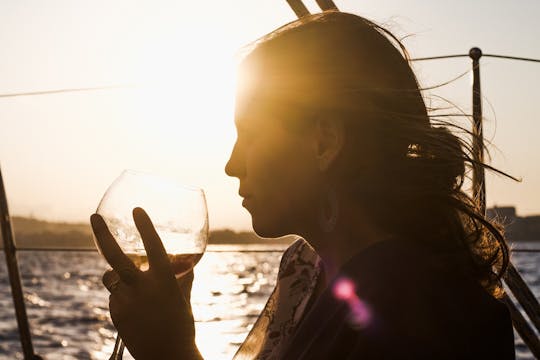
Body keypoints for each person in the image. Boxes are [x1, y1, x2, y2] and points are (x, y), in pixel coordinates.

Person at [91, 11, 516, 359]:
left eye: (250, 134)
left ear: (324, 142)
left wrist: (170, 353)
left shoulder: (421, 312)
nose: (231, 165)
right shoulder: (306, 272)